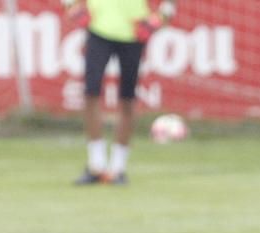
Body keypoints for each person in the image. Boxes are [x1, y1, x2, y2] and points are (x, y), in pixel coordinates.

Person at [63, 0, 176, 185]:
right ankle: (96, 164)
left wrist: (158, 19)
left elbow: (170, 5)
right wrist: (71, 6)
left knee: (127, 98)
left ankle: (118, 168)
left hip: (133, 32)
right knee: (90, 94)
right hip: (98, 29)